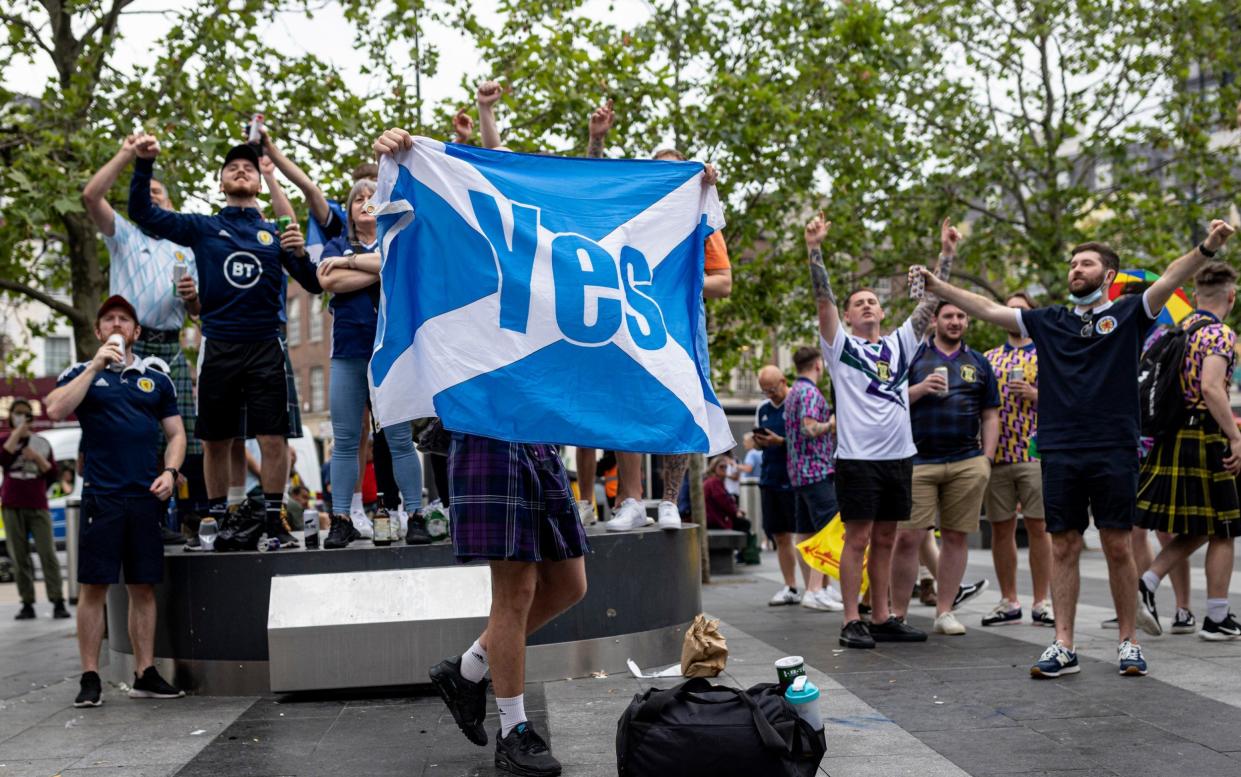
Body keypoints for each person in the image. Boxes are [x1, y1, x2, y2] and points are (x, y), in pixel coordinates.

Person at [914, 218, 1237, 678]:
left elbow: (1170, 277)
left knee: (1118, 546)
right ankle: (1062, 644)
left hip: (1113, 447)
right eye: (1072, 263)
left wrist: (1208, 245)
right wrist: (938, 283)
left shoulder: (1130, 313)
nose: (1075, 269)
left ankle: (1128, 641)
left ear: (1108, 275)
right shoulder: (1050, 321)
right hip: (1061, 448)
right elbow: (986, 309)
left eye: (1085, 263)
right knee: (1062, 545)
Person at [376, 128, 584, 777]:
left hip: (537, 424)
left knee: (569, 582)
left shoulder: (531, 257)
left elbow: (519, 195)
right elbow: (418, 212)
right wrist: (392, 158)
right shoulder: (454, 259)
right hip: (484, 421)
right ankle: (513, 729)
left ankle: (466, 668)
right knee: (516, 588)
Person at [126, 132, 322, 552]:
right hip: (219, 345)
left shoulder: (274, 233)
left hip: (267, 346)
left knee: (273, 439)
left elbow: (312, 283)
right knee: (215, 440)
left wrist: (300, 252)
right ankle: (215, 521)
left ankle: (275, 524)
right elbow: (141, 210)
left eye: (249, 167)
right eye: (232, 167)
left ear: (257, 182)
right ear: (220, 182)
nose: (241, 170)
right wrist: (143, 164)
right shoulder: (203, 228)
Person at [806, 214, 955, 649]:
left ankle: (883, 615)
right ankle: (852, 619)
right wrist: (815, 248)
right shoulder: (840, 347)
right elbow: (822, 301)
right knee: (858, 538)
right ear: (848, 316)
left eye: (874, 301)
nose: (868, 305)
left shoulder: (900, 344)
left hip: (898, 456)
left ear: (883, 311)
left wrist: (946, 254)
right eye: (860, 303)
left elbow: (928, 303)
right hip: (857, 458)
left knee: (887, 537)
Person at [589, 103, 729, 531]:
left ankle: (669, 501)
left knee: (679, 401)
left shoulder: (699, 221)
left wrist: (676, 282)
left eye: (679, 175)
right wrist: (596, 138)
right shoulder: (634, 218)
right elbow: (593, 190)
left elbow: (723, 282)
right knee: (625, 400)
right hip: (631, 322)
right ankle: (630, 500)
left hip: (681, 325)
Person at [44, 295, 186, 707]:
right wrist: (95, 366)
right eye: (109, 320)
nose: (117, 325)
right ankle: (90, 676)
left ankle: (145, 671)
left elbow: (176, 435)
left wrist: (170, 473)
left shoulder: (156, 377)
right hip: (101, 499)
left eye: (125, 319)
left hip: (145, 497)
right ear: (98, 330)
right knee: (94, 587)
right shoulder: (80, 374)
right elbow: (54, 409)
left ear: (137, 332)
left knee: (143, 587)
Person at [83, 135, 203, 543]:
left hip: (169, 342)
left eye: (159, 195)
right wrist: (128, 154)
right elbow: (90, 195)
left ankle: (186, 517)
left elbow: (199, 312)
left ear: (168, 207)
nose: (152, 198)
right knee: (137, 433)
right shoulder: (125, 235)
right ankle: (148, 521)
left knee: (183, 432)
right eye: (146, 192)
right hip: (126, 345)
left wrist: (194, 299)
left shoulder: (185, 246)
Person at [316, 176, 429, 548]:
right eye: (357, 198)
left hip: (391, 353)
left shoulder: (395, 239)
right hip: (348, 352)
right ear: (349, 211)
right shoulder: (334, 242)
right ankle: (342, 517)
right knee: (346, 440)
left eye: (372, 197)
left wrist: (350, 263)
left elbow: (391, 264)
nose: (365, 201)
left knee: (398, 437)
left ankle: (415, 514)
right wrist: (376, 269)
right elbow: (328, 281)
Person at [1134, 262, 1241, 640]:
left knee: (1208, 525)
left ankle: (1150, 583)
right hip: (1204, 435)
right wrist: (1236, 436)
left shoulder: (1179, 330)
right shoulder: (1219, 334)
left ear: (1196, 295)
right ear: (1232, 296)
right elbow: (1212, 388)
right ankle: (1215, 616)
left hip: (1174, 435)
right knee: (1224, 527)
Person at [890, 301, 999, 635]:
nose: (955, 321)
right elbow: (891, 400)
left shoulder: (978, 362)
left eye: (961, 316)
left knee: (955, 536)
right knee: (908, 537)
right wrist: (921, 389)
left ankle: (945, 611)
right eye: (949, 316)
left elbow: (991, 414)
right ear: (935, 320)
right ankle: (897, 615)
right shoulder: (913, 357)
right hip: (918, 460)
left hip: (967, 462)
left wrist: (987, 459)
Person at [981, 293, 1054, 628]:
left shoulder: (1047, 352)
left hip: (1035, 452)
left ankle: (1043, 601)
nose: (1015, 314)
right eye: (1009, 309)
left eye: (1021, 309)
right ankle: (1009, 600)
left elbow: (1069, 396)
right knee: (1000, 528)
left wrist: (1038, 395)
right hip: (997, 456)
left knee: (1040, 527)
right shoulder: (988, 358)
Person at [783, 346, 843, 613]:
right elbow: (809, 428)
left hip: (798, 472)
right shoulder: (809, 392)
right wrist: (832, 423)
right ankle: (815, 589)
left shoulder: (794, 391)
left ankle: (818, 588)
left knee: (806, 532)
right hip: (816, 471)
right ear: (818, 364)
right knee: (829, 530)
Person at [1, 399, 68, 620]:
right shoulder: (5, 439)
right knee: (18, 556)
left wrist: (37, 457)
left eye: (26, 414)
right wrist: (17, 432)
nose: (22, 418)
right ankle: (27, 602)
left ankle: (57, 600)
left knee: (47, 553)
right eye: (17, 414)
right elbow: (4, 455)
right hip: (12, 504)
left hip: (38, 504)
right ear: (11, 416)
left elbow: (52, 473)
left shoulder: (41, 443)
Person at [755, 366, 804, 605]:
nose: (769, 395)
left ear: (784, 382)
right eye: (764, 391)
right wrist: (756, 443)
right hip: (770, 477)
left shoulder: (797, 402)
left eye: (772, 390)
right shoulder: (762, 409)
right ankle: (791, 586)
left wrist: (781, 441)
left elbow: (808, 438)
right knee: (780, 535)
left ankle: (818, 587)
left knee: (806, 534)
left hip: (795, 478)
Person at [705, 454, 749, 533]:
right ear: (714, 467)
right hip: (715, 520)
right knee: (745, 523)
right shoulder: (714, 482)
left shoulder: (715, 481)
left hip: (716, 517)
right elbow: (723, 501)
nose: (724, 469)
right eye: (721, 467)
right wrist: (736, 511)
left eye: (726, 467)